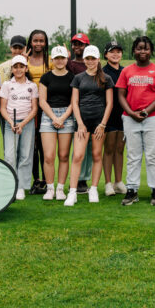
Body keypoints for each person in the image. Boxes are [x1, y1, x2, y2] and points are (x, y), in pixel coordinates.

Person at [117, 37, 155, 206]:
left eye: (146, 49)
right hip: (130, 117)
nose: (142, 52)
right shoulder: (127, 71)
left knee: (153, 155)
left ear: (151, 51)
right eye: (139, 48)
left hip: (153, 117)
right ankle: (131, 190)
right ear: (133, 50)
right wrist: (132, 113)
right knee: (133, 155)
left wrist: (147, 111)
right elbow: (120, 95)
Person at [65, 45, 114, 206]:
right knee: (78, 156)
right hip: (82, 123)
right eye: (88, 58)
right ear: (84, 60)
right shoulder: (78, 78)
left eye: (93, 58)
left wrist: (103, 124)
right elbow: (74, 102)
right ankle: (72, 192)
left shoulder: (106, 78)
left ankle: (93, 188)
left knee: (96, 155)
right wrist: (79, 123)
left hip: (99, 122)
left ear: (98, 59)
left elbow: (109, 103)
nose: (90, 61)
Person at [38, 45, 75, 201]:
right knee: (48, 156)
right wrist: (54, 117)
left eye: (62, 58)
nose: (60, 61)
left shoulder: (73, 77)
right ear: (52, 60)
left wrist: (62, 118)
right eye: (57, 58)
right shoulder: (46, 77)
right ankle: (50, 188)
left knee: (64, 155)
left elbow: (74, 102)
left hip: (67, 115)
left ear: (66, 59)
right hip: (48, 116)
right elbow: (42, 101)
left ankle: (60, 188)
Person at [0, 55, 38, 200]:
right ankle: (12, 184)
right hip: (11, 123)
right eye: (16, 67)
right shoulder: (7, 85)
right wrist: (11, 122)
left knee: (25, 155)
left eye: (22, 66)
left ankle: (21, 186)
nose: (19, 69)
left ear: (26, 68)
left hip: (26, 123)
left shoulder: (32, 86)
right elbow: (2, 108)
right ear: (12, 69)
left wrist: (22, 124)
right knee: (10, 155)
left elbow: (34, 109)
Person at [67, 32, 94, 193]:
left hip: (90, 108)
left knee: (89, 146)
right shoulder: (69, 64)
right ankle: (75, 179)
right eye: (75, 44)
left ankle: (84, 178)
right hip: (74, 107)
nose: (78, 47)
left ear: (86, 46)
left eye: (81, 44)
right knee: (77, 145)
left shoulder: (91, 65)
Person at [26, 30, 51, 194]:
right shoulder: (24, 60)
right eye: (35, 41)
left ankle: (46, 179)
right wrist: (20, 58)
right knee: (31, 146)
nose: (38, 44)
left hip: (46, 106)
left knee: (44, 146)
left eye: (41, 41)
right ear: (31, 42)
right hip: (27, 106)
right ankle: (36, 180)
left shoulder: (50, 61)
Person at [102, 41, 127, 195]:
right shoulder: (102, 72)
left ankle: (118, 181)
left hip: (123, 115)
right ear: (106, 54)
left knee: (120, 149)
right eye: (112, 51)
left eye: (118, 51)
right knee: (109, 148)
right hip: (108, 115)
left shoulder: (126, 71)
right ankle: (108, 183)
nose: (115, 54)